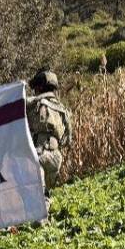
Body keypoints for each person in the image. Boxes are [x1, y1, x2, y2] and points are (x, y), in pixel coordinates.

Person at [25, 70, 73, 204]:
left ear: (39, 87)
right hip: (55, 159)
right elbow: (67, 140)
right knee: (45, 197)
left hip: (38, 157)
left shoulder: (33, 104)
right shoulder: (62, 109)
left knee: (37, 201)